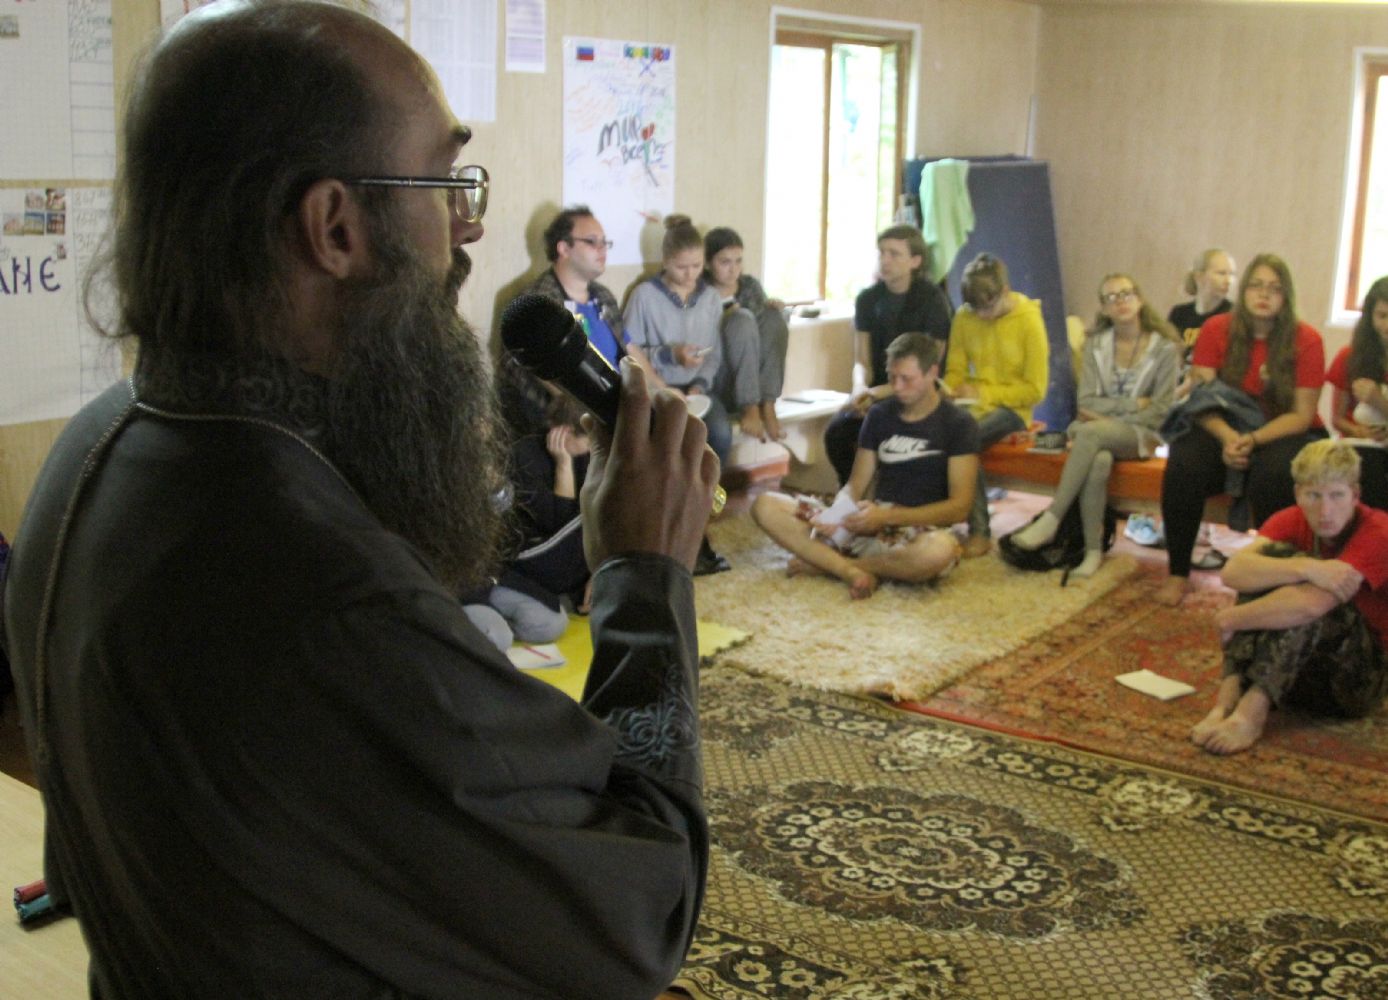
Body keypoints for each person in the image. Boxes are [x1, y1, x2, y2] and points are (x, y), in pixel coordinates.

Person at [1, 5, 717, 998]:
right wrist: (643, 575)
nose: (466, 227)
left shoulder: (99, 444)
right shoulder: (321, 598)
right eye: (447, 185)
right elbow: (642, 909)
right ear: (334, 228)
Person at [1192, 439, 1388, 755]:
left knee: (1309, 601)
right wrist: (1306, 567)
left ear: (1355, 495)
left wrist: (1231, 618)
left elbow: (1312, 605)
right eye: (1314, 496)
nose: (1325, 511)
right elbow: (1235, 571)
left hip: (1358, 681)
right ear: (1298, 494)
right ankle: (1227, 703)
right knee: (1272, 564)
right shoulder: (1291, 518)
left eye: (1337, 496)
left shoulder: (1378, 532)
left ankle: (1251, 714)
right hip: (1297, 672)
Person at [1156, 254, 1326, 606]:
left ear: (1286, 296)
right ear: (1244, 290)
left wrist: (1252, 439)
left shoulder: (1306, 339)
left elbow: (1302, 415)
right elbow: (1201, 400)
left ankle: (1268, 580)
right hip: (1224, 427)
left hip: (1282, 431)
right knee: (1184, 459)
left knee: (1274, 473)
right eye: (1256, 286)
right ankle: (1178, 572)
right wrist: (1228, 437)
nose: (1264, 294)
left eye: (1274, 289)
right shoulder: (1216, 329)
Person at [751, 334, 976, 599]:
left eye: (907, 379)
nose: (897, 387)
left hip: (918, 530)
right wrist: (837, 515)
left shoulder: (959, 424)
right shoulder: (879, 415)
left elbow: (959, 507)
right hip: (868, 523)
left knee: (938, 551)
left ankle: (831, 566)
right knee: (765, 505)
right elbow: (855, 485)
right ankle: (849, 571)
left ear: (932, 373)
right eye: (892, 377)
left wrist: (887, 517)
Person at [1008, 274, 1180, 578]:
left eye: (1126, 293)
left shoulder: (1164, 348)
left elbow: (1160, 411)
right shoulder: (1095, 345)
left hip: (1143, 435)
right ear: (1104, 308)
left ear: (1139, 299)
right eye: (1111, 297)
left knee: (1089, 432)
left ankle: (1052, 518)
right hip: (1100, 432)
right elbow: (1085, 402)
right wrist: (1133, 405)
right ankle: (1092, 551)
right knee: (1099, 460)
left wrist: (1109, 417)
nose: (1121, 301)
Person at [498, 205, 658, 440]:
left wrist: (662, 389)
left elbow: (629, 347)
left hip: (624, 402)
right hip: (577, 422)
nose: (602, 249)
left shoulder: (602, 295)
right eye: (592, 242)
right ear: (564, 248)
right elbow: (533, 375)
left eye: (605, 242)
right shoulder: (540, 307)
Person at [822, 224, 954, 486]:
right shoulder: (867, 299)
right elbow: (862, 360)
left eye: (894, 254)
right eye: (882, 253)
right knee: (837, 432)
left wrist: (876, 394)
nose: (885, 260)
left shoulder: (933, 300)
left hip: (918, 392)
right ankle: (851, 494)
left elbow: (927, 370)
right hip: (878, 391)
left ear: (915, 261)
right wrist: (859, 388)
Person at [624, 214, 760, 462]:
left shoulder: (709, 298)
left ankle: (710, 487)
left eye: (696, 266)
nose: (690, 275)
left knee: (719, 434)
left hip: (697, 390)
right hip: (658, 388)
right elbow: (630, 352)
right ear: (666, 261)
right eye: (681, 267)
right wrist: (670, 355)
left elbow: (714, 353)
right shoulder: (644, 296)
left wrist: (699, 386)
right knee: (666, 442)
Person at [943, 252, 1050, 557]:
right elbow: (954, 369)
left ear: (1005, 291)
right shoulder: (965, 316)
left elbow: (1035, 390)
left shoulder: (1028, 320)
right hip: (970, 404)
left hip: (1012, 410)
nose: (982, 315)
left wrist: (983, 394)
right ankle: (934, 519)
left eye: (988, 307)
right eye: (975, 309)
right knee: (935, 428)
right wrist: (950, 390)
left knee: (965, 438)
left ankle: (980, 531)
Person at [703, 225, 790, 442]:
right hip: (720, 376)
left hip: (754, 378)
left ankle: (768, 405)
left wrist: (775, 309)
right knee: (741, 319)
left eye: (738, 261)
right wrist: (726, 318)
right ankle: (749, 407)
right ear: (707, 263)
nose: (733, 269)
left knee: (773, 317)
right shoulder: (701, 291)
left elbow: (767, 339)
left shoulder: (749, 286)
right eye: (725, 262)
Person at [1325, 275, 1388, 509]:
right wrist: (1360, 431)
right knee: (1366, 466)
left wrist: (1379, 402)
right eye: (1382, 316)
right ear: (1370, 317)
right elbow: (1337, 419)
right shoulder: (1350, 358)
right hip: (1362, 447)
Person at [1167, 248, 1237, 349]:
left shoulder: (1234, 314)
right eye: (1221, 273)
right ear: (1199, 276)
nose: (1228, 281)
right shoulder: (1179, 314)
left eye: (1232, 274)